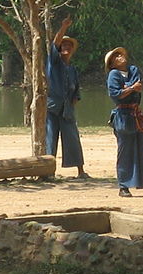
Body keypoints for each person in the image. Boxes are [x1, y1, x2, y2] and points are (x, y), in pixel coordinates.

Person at [105, 46, 143, 197]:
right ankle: (123, 186)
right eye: (116, 56)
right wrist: (131, 88)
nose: (120, 57)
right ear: (112, 63)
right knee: (125, 151)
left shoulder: (133, 70)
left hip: (135, 115)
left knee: (142, 150)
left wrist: (128, 88)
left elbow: (136, 84)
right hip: (123, 116)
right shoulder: (113, 74)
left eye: (121, 54)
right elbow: (116, 94)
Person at [46, 17, 89, 180]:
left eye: (69, 46)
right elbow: (54, 44)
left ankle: (80, 171)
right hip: (52, 107)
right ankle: (48, 172)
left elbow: (76, 91)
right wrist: (63, 26)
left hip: (67, 110)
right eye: (64, 45)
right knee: (50, 139)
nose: (66, 47)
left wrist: (73, 103)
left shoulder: (72, 69)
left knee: (72, 138)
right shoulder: (54, 61)